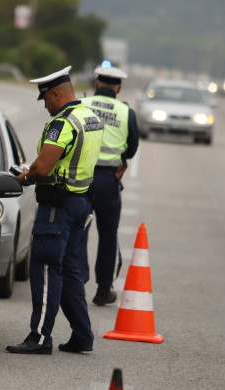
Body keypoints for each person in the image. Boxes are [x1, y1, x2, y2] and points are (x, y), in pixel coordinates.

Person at [6, 66, 104, 355]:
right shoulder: (90, 116)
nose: (46, 105)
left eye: (46, 99)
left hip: (57, 208)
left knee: (46, 268)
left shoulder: (62, 124)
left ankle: (39, 337)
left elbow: (44, 167)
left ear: (56, 94)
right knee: (69, 269)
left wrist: (22, 178)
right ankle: (82, 335)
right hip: (80, 202)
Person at [78, 66, 140, 306]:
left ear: (96, 84)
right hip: (108, 179)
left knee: (78, 230)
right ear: (119, 88)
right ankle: (104, 289)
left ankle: (77, 281)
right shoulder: (126, 112)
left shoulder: (82, 105)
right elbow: (132, 148)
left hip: (81, 177)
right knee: (107, 235)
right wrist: (121, 161)